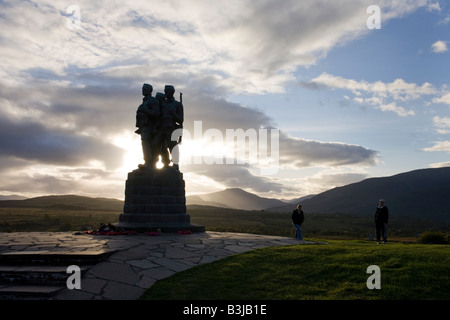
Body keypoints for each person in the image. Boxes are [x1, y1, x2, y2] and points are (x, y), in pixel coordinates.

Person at [135, 83, 161, 168]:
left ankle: (149, 162)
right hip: (143, 126)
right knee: (145, 143)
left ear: (150, 90)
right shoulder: (144, 102)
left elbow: (156, 113)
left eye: (145, 89)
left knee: (148, 143)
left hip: (151, 126)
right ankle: (148, 161)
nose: (143, 90)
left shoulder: (153, 101)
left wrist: (145, 110)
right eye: (143, 89)